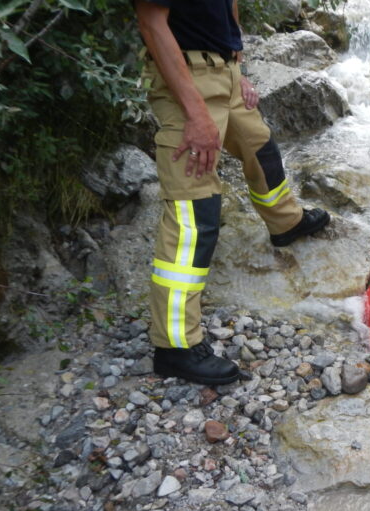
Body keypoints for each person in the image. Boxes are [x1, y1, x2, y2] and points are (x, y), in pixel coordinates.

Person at [134, 0, 330, 385]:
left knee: (261, 148)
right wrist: (195, 114)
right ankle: (175, 346)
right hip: (185, 79)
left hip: (223, 69)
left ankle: (285, 222)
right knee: (195, 212)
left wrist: (235, 67)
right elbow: (152, 22)